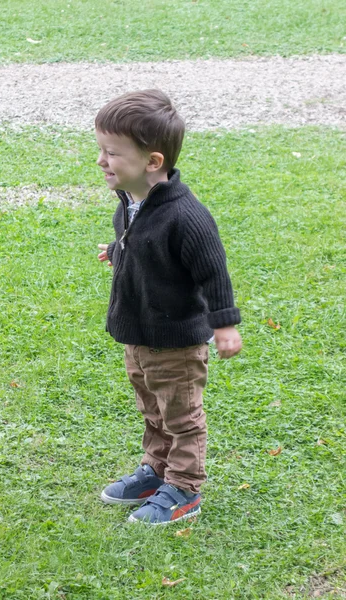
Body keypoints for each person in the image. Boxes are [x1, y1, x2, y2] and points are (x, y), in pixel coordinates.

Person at [96, 89, 242, 525]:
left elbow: (212, 272)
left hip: (175, 343)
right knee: (152, 408)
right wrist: (119, 252)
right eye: (100, 150)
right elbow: (144, 249)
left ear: (152, 162)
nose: (101, 161)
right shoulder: (129, 205)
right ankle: (157, 468)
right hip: (139, 336)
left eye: (111, 153)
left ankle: (183, 487)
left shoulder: (186, 216)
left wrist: (225, 326)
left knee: (181, 415)